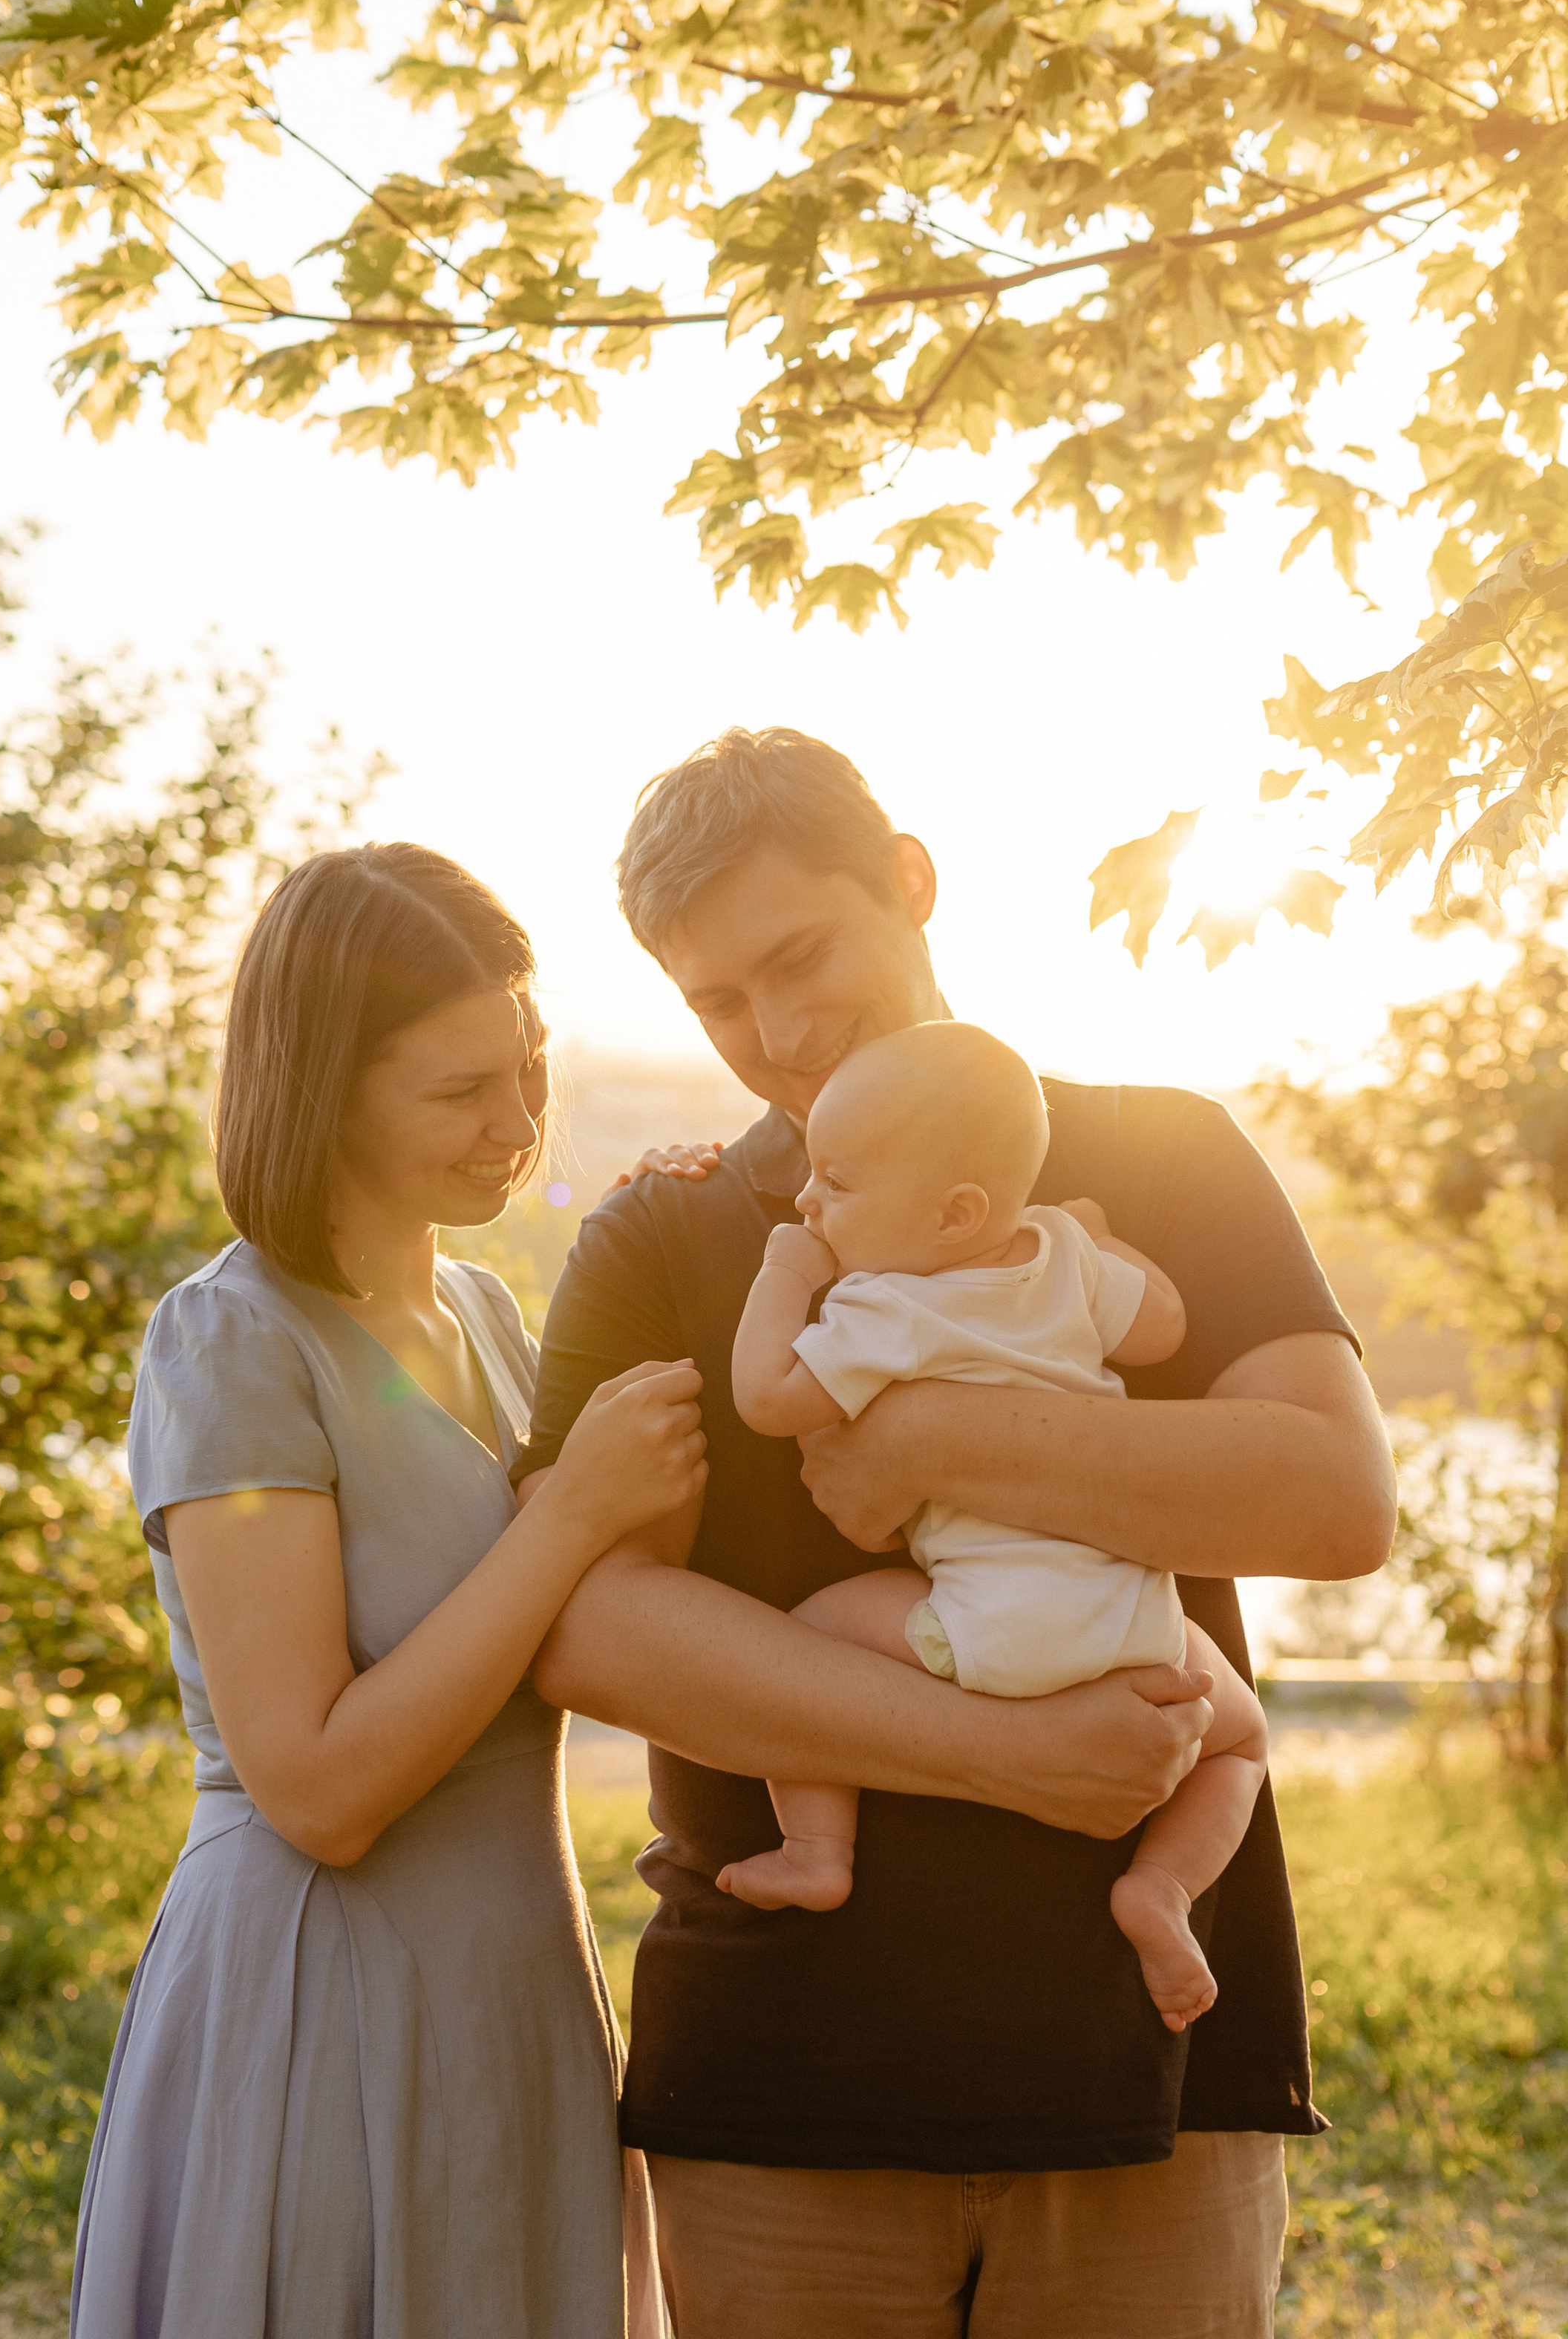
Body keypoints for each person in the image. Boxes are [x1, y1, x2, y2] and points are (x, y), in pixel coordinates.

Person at [526, 730, 1397, 2339]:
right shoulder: (667, 1229)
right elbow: (583, 1625)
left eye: (801, 959)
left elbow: (1334, 1500)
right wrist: (999, 1751)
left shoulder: (1160, 1155)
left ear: (909, 882)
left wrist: (933, 1435)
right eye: (717, 1003)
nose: (776, 1035)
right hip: (779, 2086)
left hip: (1149, 2069)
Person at [70, 843, 705, 2339]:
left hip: (514, 1977)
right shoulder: (233, 1344)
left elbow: (588, 1613)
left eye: (530, 1067)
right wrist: (569, 1520)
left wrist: (697, 1246)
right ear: (327, 1089)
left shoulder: (482, 1312)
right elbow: (318, 1787)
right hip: (318, 1995)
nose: (519, 1123)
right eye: (460, 1089)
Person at [718, 1020, 1267, 2036]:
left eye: (835, 1185)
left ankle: (817, 1850)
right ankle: (1163, 1890)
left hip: (989, 1638)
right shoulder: (1063, 1256)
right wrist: (1099, 1241)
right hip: (1137, 1631)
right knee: (1238, 1741)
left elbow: (767, 1395)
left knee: (810, 1639)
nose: (808, 1202)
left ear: (954, 1213)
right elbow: (1167, 1326)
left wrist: (787, 1276)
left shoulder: (886, 1307)